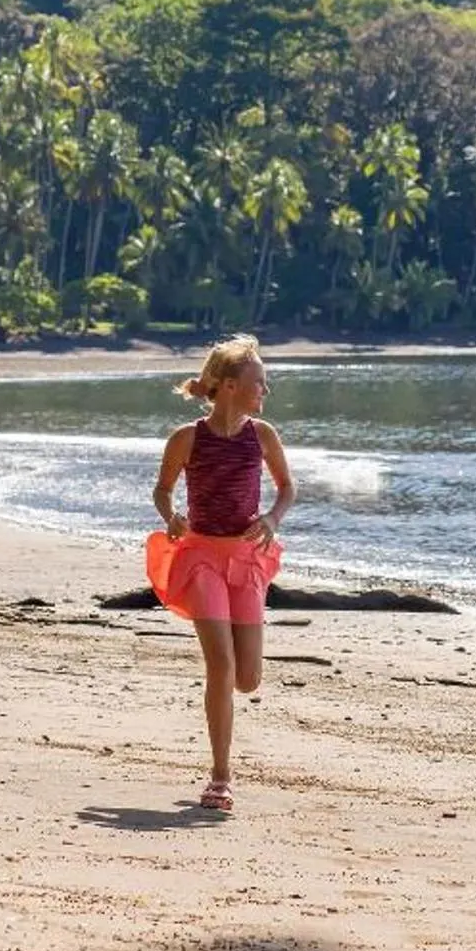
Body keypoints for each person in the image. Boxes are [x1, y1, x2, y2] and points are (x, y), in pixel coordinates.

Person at [147, 334, 295, 813]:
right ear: (230, 385)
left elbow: (287, 489)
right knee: (221, 666)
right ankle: (220, 776)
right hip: (202, 557)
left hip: (246, 558)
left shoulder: (263, 435)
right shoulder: (186, 438)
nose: (265, 391)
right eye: (259, 383)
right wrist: (171, 517)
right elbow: (163, 490)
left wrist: (271, 519)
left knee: (247, 678)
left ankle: (225, 706)